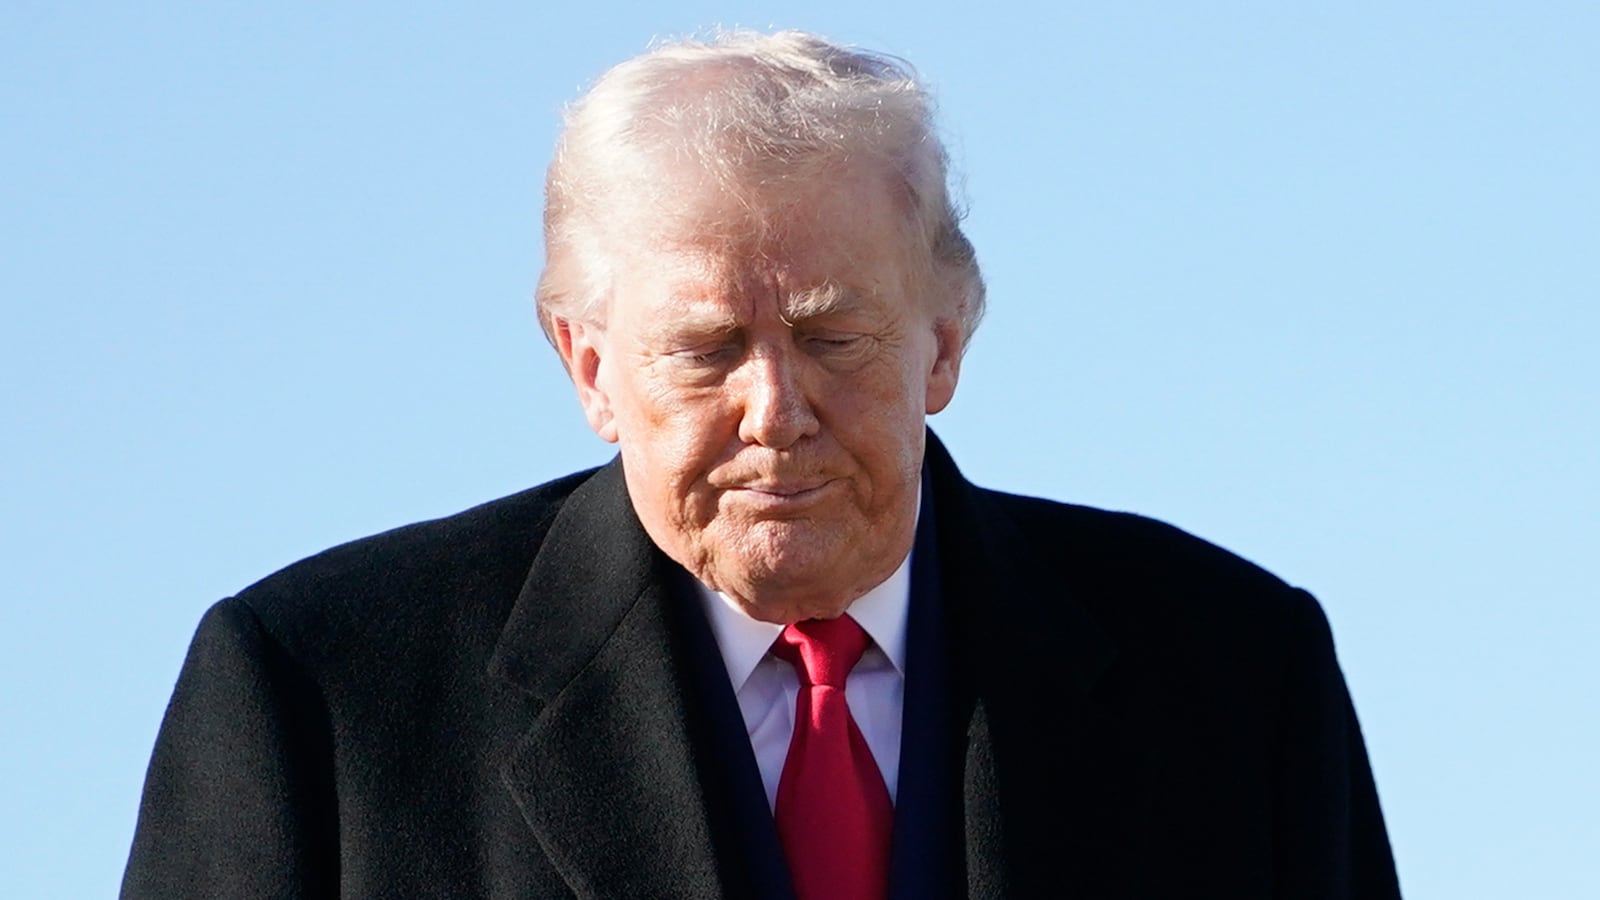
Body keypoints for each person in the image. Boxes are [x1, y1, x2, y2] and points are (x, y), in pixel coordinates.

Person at [123, 30, 1401, 899]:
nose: (774, 408)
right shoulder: (313, 695)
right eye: (706, 347)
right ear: (587, 365)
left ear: (945, 344)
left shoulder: (1236, 673)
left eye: (837, 335)